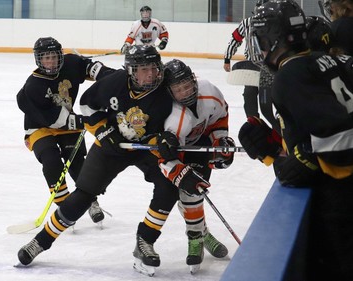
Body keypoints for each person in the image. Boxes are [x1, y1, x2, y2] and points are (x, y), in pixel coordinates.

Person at [16, 46, 212, 273]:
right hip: (111, 145)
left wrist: (166, 139)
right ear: (131, 71)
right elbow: (88, 104)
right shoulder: (115, 82)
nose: (151, 74)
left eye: (153, 68)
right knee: (82, 197)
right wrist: (101, 131)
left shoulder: (166, 91)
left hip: (146, 148)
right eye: (143, 69)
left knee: (167, 189)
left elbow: (179, 121)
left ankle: (145, 242)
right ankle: (40, 241)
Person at [238, 0, 353, 280]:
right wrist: (279, 151)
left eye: (262, 40)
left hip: (343, 198)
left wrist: (307, 159)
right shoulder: (327, 60)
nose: (260, 47)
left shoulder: (290, 75)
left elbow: (342, 141)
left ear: (273, 38)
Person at [139, 59, 234, 274]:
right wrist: (179, 173)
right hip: (176, 149)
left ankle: (198, 236)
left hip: (200, 144)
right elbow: (164, 158)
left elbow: (220, 116)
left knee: (193, 195)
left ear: (194, 80)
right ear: (170, 92)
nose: (185, 93)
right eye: (178, 89)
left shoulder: (209, 90)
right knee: (187, 193)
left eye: (187, 86)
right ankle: (200, 236)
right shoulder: (173, 117)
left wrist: (220, 141)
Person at [16, 37, 114, 225]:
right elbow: (52, 120)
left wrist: (112, 77)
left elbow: (90, 68)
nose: (51, 62)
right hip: (39, 127)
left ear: (60, 55)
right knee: (51, 160)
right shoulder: (34, 85)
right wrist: (84, 120)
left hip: (67, 121)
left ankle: (90, 201)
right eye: (46, 58)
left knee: (77, 162)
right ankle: (65, 206)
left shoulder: (70, 63)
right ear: (39, 60)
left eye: (53, 56)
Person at [223, 0, 279, 131]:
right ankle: (253, 123)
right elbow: (235, 39)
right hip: (252, 66)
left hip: (270, 67)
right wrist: (227, 57)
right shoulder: (247, 23)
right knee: (249, 94)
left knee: (270, 97)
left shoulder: (276, 24)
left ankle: (278, 126)